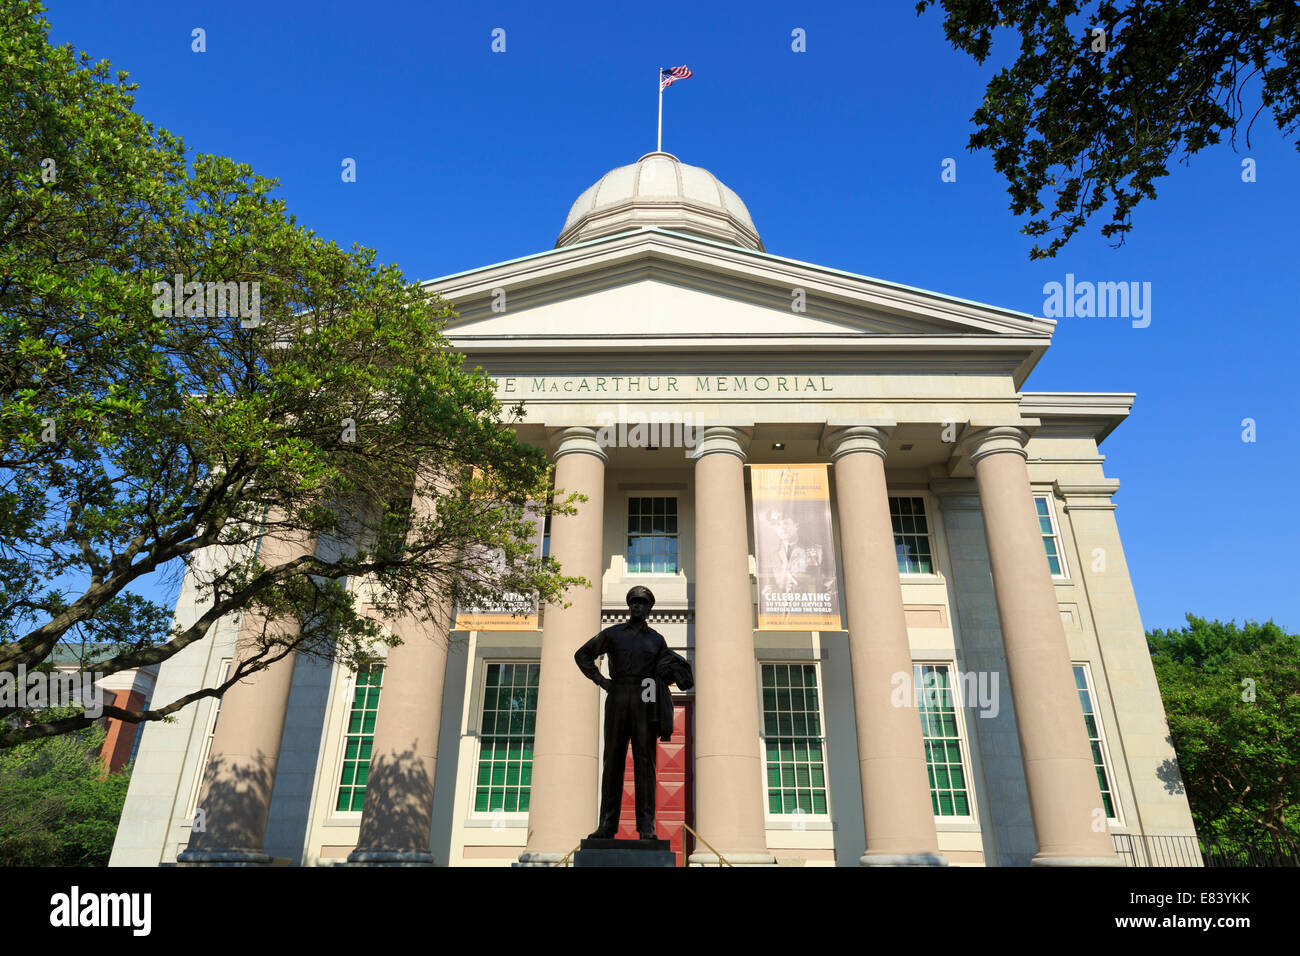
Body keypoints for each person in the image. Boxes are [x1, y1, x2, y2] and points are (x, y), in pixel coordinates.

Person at [574, 586, 692, 840]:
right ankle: (607, 825)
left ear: (650, 608)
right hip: (617, 695)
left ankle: (646, 826)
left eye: (643, 603)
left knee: (645, 763)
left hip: (645, 697)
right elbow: (582, 655)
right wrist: (601, 681)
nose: (638, 606)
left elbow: (666, 670)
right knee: (613, 762)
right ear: (629, 606)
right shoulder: (613, 634)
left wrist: (674, 675)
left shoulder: (657, 640)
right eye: (634, 602)